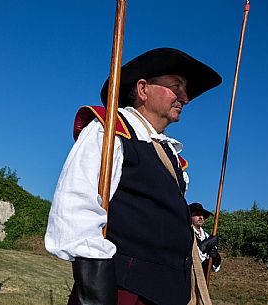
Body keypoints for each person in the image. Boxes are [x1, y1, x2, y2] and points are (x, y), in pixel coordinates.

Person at [45, 48, 222, 305]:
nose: (185, 97)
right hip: (124, 292)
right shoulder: (110, 131)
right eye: (177, 86)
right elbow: (75, 206)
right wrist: (95, 292)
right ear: (143, 89)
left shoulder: (171, 157)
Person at [189, 202, 221, 277]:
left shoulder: (207, 237)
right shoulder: (186, 233)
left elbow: (215, 269)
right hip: (188, 277)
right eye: (197, 214)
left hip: (202, 278)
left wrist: (216, 258)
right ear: (189, 216)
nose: (201, 217)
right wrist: (203, 247)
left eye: (202, 215)